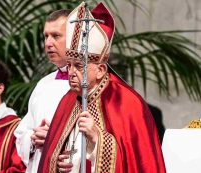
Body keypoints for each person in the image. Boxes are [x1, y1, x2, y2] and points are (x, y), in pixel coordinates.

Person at [39, 2, 166, 173]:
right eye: (69, 65)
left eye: (79, 65)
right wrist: (59, 161)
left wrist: (98, 138)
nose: (71, 72)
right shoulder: (68, 100)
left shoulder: (127, 102)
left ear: (100, 70)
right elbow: (54, 155)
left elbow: (137, 162)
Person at [13, 9, 71, 173]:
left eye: (56, 36)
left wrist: (56, 140)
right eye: (46, 36)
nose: (48, 43)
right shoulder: (44, 84)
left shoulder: (92, 85)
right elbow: (21, 133)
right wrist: (32, 139)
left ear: (76, 38)